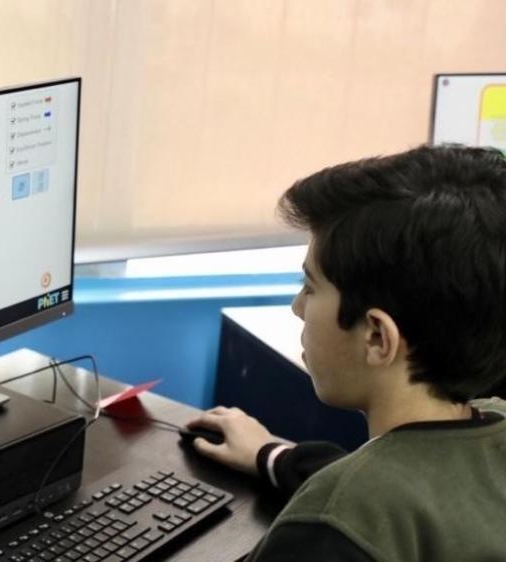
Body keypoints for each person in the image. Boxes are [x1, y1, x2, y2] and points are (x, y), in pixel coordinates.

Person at [186, 144, 506, 561]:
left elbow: (358, 508)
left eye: (310, 287)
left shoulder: (328, 532)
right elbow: (407, 485)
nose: (297, 307)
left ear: (377, 337)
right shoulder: (494, 427)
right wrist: (271, 455)